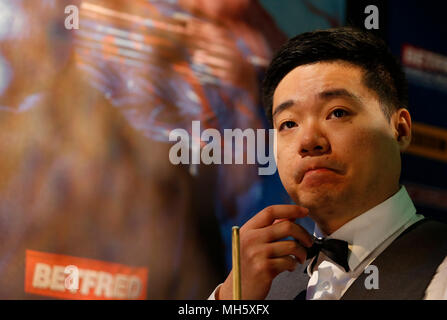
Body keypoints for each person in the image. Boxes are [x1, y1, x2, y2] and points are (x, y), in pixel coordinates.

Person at [210, 27, 447, 300]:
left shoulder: (439, 269)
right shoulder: (255, 288)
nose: (309, 140)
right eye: (288, 123)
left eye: (337, 112)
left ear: (400, 129)